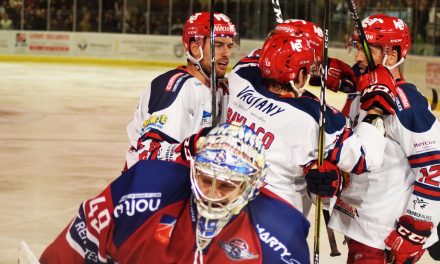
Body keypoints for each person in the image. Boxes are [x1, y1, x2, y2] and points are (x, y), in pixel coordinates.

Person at [39, 122, 311, 264]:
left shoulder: (283, 236)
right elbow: (72, 252)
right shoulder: (141, 192)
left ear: (252, 186)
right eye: (206, 179)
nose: (211, 195)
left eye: (227, 185)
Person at [226, 31, 395, 215]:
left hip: (226, 200)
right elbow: (366, 158)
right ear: (300, 76)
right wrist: (375, 108)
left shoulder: (240, 76)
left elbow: (264, 56)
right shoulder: (317, 117)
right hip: (277, 218)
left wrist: (315, 67)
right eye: (306, 70)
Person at [317, 14, 440, 263]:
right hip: (361, 227)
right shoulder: (361, 96)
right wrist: (332, 174)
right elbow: (356, 151)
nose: (357, 57)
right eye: (358, 49)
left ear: (391, 56)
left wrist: (414, 229)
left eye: (366, 50)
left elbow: (433, 168)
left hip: (383, 237)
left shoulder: (407, 104)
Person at [124, 12, 238, 170]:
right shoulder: (176, 87)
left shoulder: (220, 88)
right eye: (218, 45)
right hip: (149, 186)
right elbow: (150, 153)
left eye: (229, 46)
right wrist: (196, 146)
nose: (226, 53)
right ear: (195, 48)